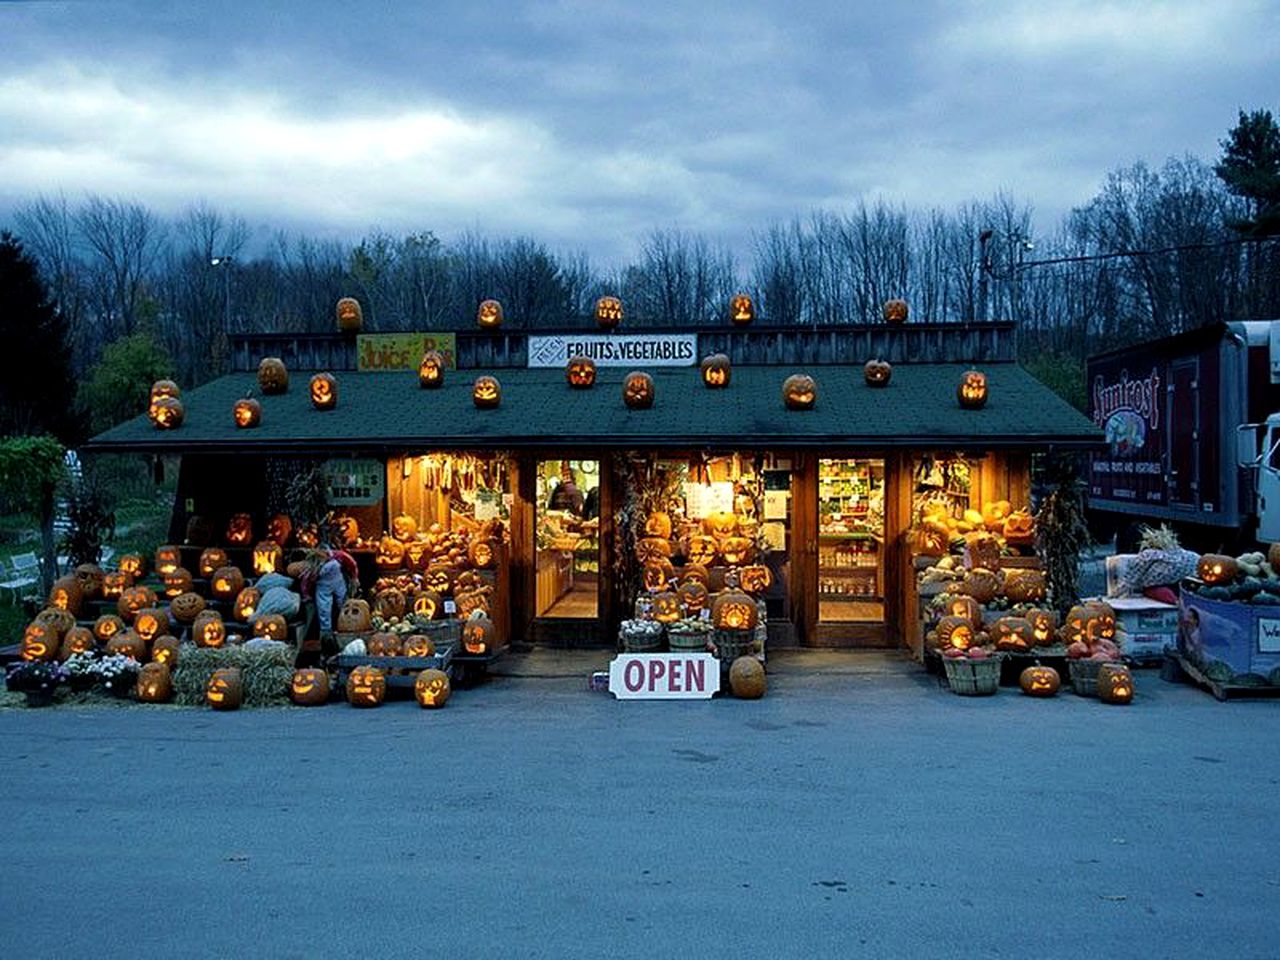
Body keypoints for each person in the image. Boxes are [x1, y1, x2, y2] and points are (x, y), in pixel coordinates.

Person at [298, 546, 358, 656]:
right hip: (323, 586)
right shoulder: (312, 567)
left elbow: (351, 563)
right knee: (323, 609)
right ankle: (326, 636)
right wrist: (306, 595)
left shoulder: (338, 556)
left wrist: (354, 578)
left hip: (337, 581)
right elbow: (306, 582)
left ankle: (344, 627)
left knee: (344, 604)